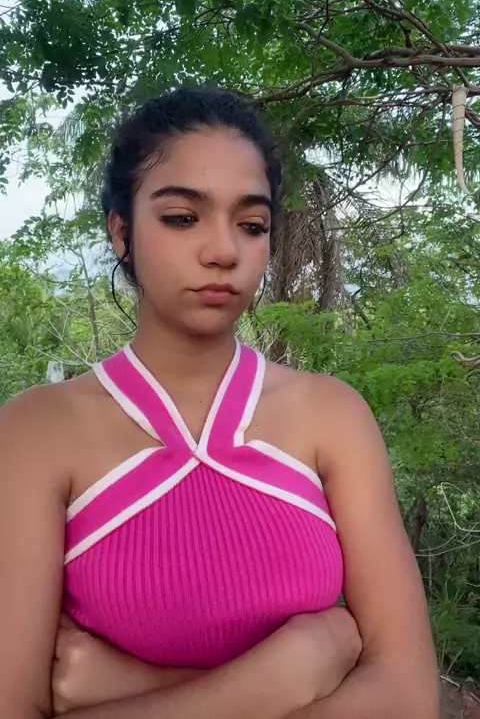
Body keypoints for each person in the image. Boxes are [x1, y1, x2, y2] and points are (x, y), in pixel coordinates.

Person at [0, 89, 439, 719]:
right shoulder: (36, 431)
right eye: (183, 218)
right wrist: (292, 670)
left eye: (251, 225)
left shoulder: (332, 417)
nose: (224, 251)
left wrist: (129, 688)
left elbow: (408, 696)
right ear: (121, 233)